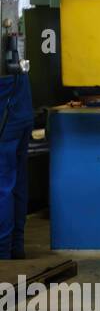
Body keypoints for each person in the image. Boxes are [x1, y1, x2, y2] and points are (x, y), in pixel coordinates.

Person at [0, 68, 34, 260]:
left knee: (3, 185)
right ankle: (16, 246)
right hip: (21, 103)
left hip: (6, 107)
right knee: (16, 181)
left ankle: (2, 254)